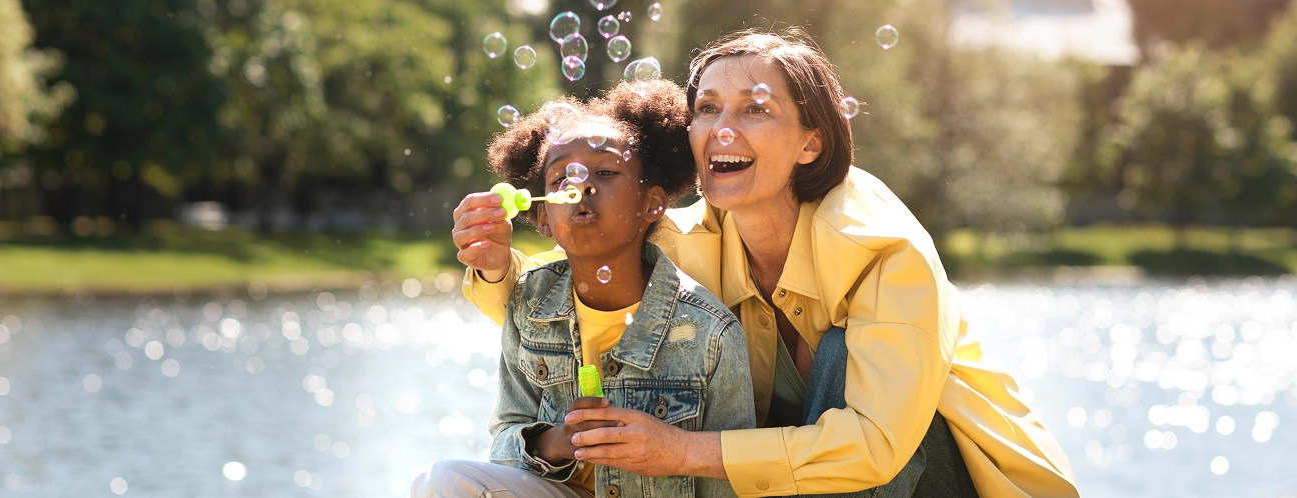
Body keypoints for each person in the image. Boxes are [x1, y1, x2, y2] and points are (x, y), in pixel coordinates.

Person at [448, 28, 1079, 498]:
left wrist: (681, 453)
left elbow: (874, 448)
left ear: (812, 142)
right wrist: (496, 264)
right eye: (707, 108)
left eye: (755, 108)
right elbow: (571, 294)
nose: (722, 128)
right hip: (809, 487)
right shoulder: (687, 240)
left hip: (955, 481)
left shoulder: (885, 251)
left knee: (839, 355)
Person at [414, 81, 756, 498]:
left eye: (607, 172)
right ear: (543, 217)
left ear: (652, 203)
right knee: (440, 480)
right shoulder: (529, 304)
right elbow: (505, 440)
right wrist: (555, 442)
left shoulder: (711, 332)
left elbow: (731, 474)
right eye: (561, 178)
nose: (583, 185)